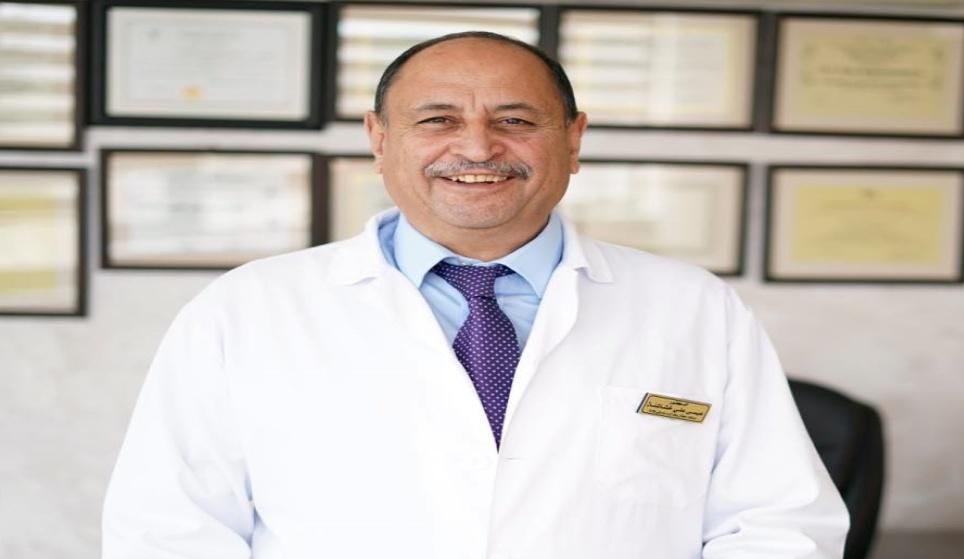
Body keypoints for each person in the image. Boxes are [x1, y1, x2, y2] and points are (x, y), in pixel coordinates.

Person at [103, 31, 848, 558]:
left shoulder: (694, 310)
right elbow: (168, 532)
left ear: (573, 139)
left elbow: (778, 523)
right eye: (438, 120)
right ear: (379, 138)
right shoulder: (245, 312)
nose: (478, 147)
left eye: (515, 121)